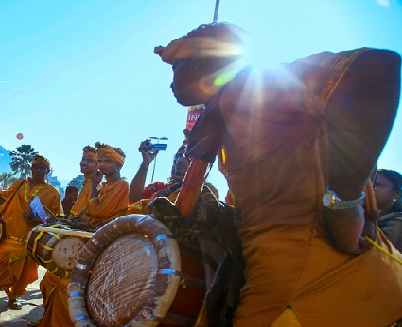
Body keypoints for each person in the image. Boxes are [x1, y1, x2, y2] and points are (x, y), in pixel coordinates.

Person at [155, 22, 402, 326]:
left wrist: (343, 204)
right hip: (300, 277)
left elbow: (377, 66)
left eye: (174, 68)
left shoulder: (252, 88)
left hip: (308, 286)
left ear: (200, 61)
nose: (170, 83)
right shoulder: (227, 109)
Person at [36, 143, 130, 327]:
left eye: (107, 161)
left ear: (118, 165)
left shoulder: (122, 185)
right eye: (100, 160)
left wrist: (93, 194)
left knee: (66, 287)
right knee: (50, 280)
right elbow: (90, 211)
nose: (102, 165)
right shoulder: (103, 186)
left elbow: (98, 211)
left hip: (103, 246)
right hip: (89, 240)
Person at [0, 155, 62, 310]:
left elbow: (55, 220)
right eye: (36, 167)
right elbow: (3, 198)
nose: (38, 170)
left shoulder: (53, 193)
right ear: (31, 169)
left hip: (30, 239)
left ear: (48, 171)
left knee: (23, 272)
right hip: (7, 235)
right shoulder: (19, 183)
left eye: (42, 168)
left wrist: (37, 221)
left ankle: (13, 298)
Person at [67, 146, 101, 218]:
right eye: (83, 159)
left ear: (98, 166)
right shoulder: (88, 184)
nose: (83, 163)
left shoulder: (91, 185)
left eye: (90, 161)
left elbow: (78, 212)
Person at [374, 169, 402, 251]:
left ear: (396, 193)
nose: (371, 189)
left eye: (377, 185)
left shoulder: (398, 221)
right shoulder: (361, 214)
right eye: (368, 185)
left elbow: (376, 250)